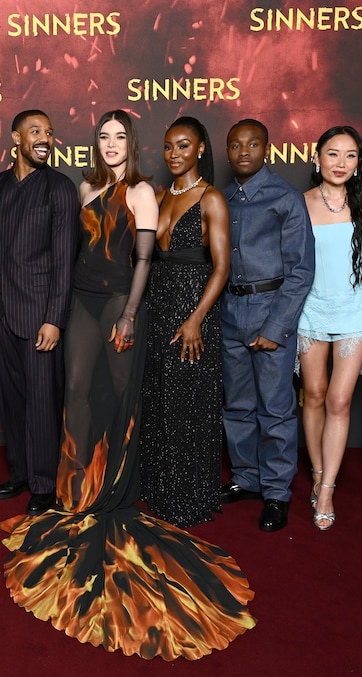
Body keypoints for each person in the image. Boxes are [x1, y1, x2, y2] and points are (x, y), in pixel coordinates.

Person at [0, 110, 255, 661]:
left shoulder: (142, 192)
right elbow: (68, 252)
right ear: (95, 143)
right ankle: (75, 490)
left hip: (120, 302)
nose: (111, 143)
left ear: (131, 143)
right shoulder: (83, 187)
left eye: (120, 136)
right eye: (103, 136)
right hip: (81, 301)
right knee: (76, 391)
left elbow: (143, 259)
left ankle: (112, 488)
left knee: (118, 397)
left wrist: (132, 314)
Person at [0, 110, 78, 516]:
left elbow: (64, 260)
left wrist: (54, 319)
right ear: (15, 138)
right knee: (11, 400)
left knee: (41, 400)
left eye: (49, 132)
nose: (44, 138)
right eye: (35, 131)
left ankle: (43, 482)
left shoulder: (60, 187)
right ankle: (20, 472)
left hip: (40, 314)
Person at [220, 119, 315, 533]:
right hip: (229, 310)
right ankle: (246, 478)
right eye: (236, 145)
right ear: (227, 151)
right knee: (237, 404)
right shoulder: (221, 199)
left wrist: (276, 326)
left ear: (267, 149)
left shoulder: (285, 198)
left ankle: (276, 492)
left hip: (270, 308)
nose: (244, 151)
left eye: (253, 144)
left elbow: (301, 270)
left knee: (275, 408)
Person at [139, 116, 230, 528]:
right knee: (159, 397)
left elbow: (222, 267)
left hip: (193, 312)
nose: (174, 154)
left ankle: (187, 494)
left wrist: (196, 319)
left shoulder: (211, 199)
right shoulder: (160, 197)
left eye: (183, 146)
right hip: (158, 309)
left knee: (187, 404)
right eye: (168, 146)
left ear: (200, 149)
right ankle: (159, 487)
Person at [296, 125, 362, 531]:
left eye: (350, 155)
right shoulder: (300, 203)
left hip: (353, 311)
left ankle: (327, 489)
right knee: (312, 394)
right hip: (311, 309)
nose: (341, 163)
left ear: (359, 163)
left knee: (339, 400)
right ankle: (316, 473)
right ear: (317, 159)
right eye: (333, 153)